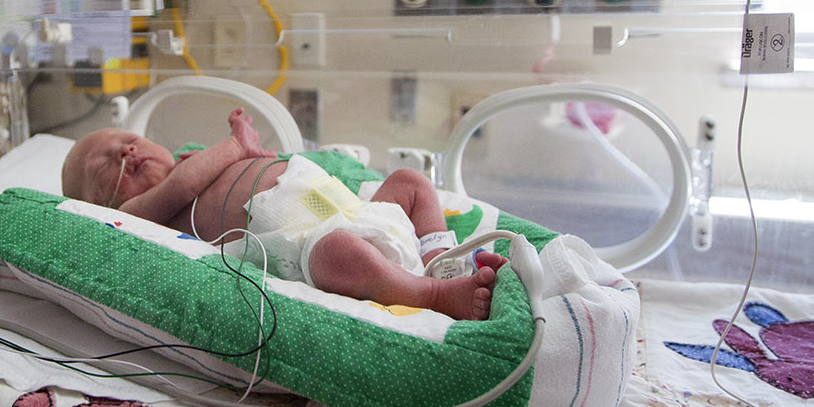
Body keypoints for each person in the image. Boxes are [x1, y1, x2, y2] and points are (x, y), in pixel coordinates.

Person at [60, 109, 504, 320]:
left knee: (411, 182)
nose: (125, 150)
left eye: (128, 138)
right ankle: (431, 296)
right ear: (100, 206)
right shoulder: (139, 213)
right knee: (339, 251)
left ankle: (442, 263)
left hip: (358, 214)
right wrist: (239, 145)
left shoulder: (192, 158)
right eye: (103, 164)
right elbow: (183, 184)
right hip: (311, 248)